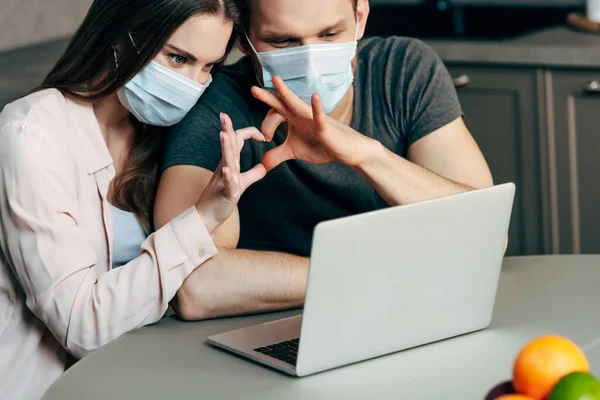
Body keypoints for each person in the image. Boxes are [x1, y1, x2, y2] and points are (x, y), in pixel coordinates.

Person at [155, 0, 494, 321]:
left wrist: (367, 156)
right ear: (244, 40)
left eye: (330, 35)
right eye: (283, 41)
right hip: (277, 328)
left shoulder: (403, 69)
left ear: (360, 16)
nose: (311, 62)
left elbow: (487, 233)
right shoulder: (215, 107)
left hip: (411, 311)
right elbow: (192, 285)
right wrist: (372, 275)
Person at [0, 0, 267, 398]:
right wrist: (201, 217)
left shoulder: (164, 131)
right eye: (178, 58)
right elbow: (81, 326)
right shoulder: (30, 134)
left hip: (145, 377)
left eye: (208, 67)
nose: (192, 84)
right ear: (120, 38)